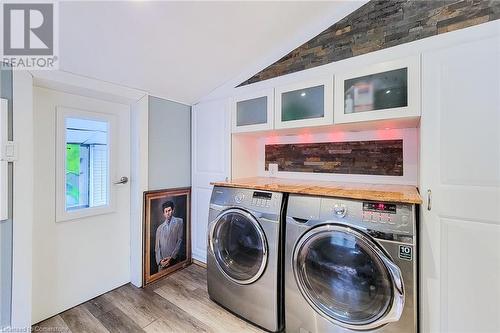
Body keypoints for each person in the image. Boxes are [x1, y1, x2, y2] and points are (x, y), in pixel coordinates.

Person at [155, 200, 184, 271]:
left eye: (169, 210)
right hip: (163, 263)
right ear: (164, 214)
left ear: (173, 210)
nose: (168, 213)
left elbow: (180, 241)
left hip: (174, 259)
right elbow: (157, 248)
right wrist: (160, 261)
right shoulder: (159, 228)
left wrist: (171, 257)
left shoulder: (179, 222)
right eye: (166, 211)